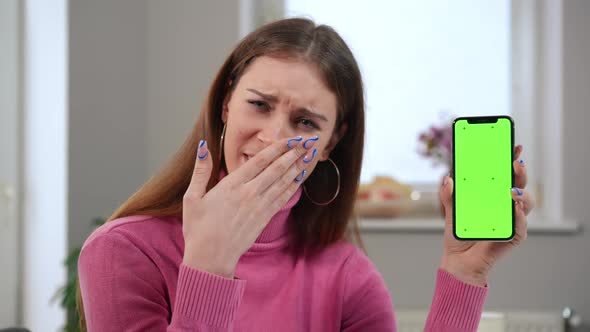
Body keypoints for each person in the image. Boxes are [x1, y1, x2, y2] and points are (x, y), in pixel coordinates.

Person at [77, 18, 534, 332]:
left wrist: (464, 273)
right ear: (225, 105)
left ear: (331, 143)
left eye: (306, 122)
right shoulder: (122, 250)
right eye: (259, 105)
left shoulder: (348, 277)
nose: (275, 139)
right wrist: (209, 266)